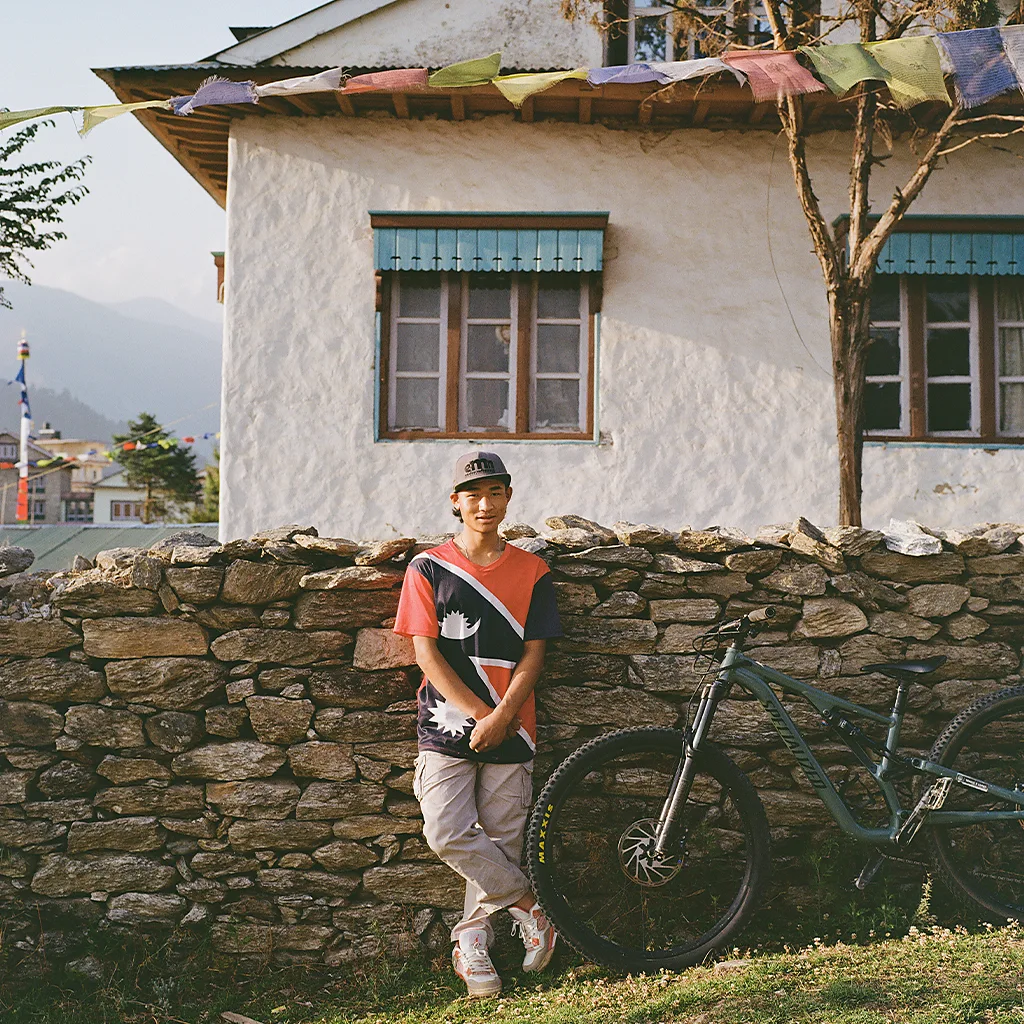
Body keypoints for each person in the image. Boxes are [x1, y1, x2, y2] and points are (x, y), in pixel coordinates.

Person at [393, 451, 561, 998]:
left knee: (502, 840)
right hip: (446, 721)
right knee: (446, 830)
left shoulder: (533, 571)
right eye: (473, 494)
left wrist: (503, 716)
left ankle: (472, 947)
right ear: (456, 500)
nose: (484, 505)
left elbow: (534, 655)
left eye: (494, 493)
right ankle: (531, 908)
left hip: (516, 726)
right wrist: (477, 717)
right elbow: (426, 653)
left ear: (508, 498)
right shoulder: (428, 568)